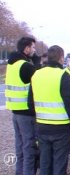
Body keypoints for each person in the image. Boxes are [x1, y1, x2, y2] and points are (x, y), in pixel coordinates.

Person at [28, 45, 70, 175]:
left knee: (45, 163)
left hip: (42, 127)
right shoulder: (63, 74)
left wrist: (38, 119)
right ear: (61, 58)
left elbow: (30, 103)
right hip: (61, 128)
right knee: (59, 164)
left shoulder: (36, 74)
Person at [5, 36, 37, 175]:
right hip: (26, 112)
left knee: (20, 147)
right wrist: (36, 63)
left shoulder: (11, 63)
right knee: (29, 148)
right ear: (27, 48)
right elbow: (39, 79)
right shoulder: (25, 65)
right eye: (33, 47)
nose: (34, 50)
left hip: (15, 112)